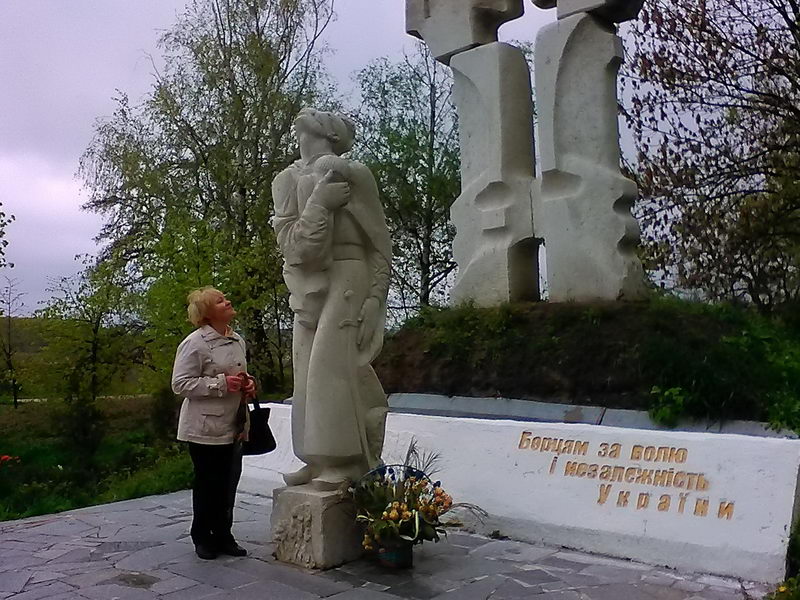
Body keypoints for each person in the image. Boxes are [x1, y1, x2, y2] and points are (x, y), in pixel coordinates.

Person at [272, 108, 392, 491]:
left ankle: (343, 462)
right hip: (308, 283)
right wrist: (319, 203)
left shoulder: (354, 174)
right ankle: (316, 459)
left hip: (350, 274)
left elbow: (379, 244)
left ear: (329, 133)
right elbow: (294, 247)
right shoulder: (286, 180)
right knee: (305, 372)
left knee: (331, 368)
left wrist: (375, 298)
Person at [171, 287, 256, 560]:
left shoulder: (237, 339)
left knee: (228, 484)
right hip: (204, 429)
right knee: (208, 484)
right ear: (207, 313)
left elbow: (239, 375)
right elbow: (180, 384)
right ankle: (202, 537)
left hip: (234, 425)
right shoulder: (195, 343)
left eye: (225, 298)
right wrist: (220, 384)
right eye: (220, 301)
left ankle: (223, 535)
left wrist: (248, 384)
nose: (228, 301)